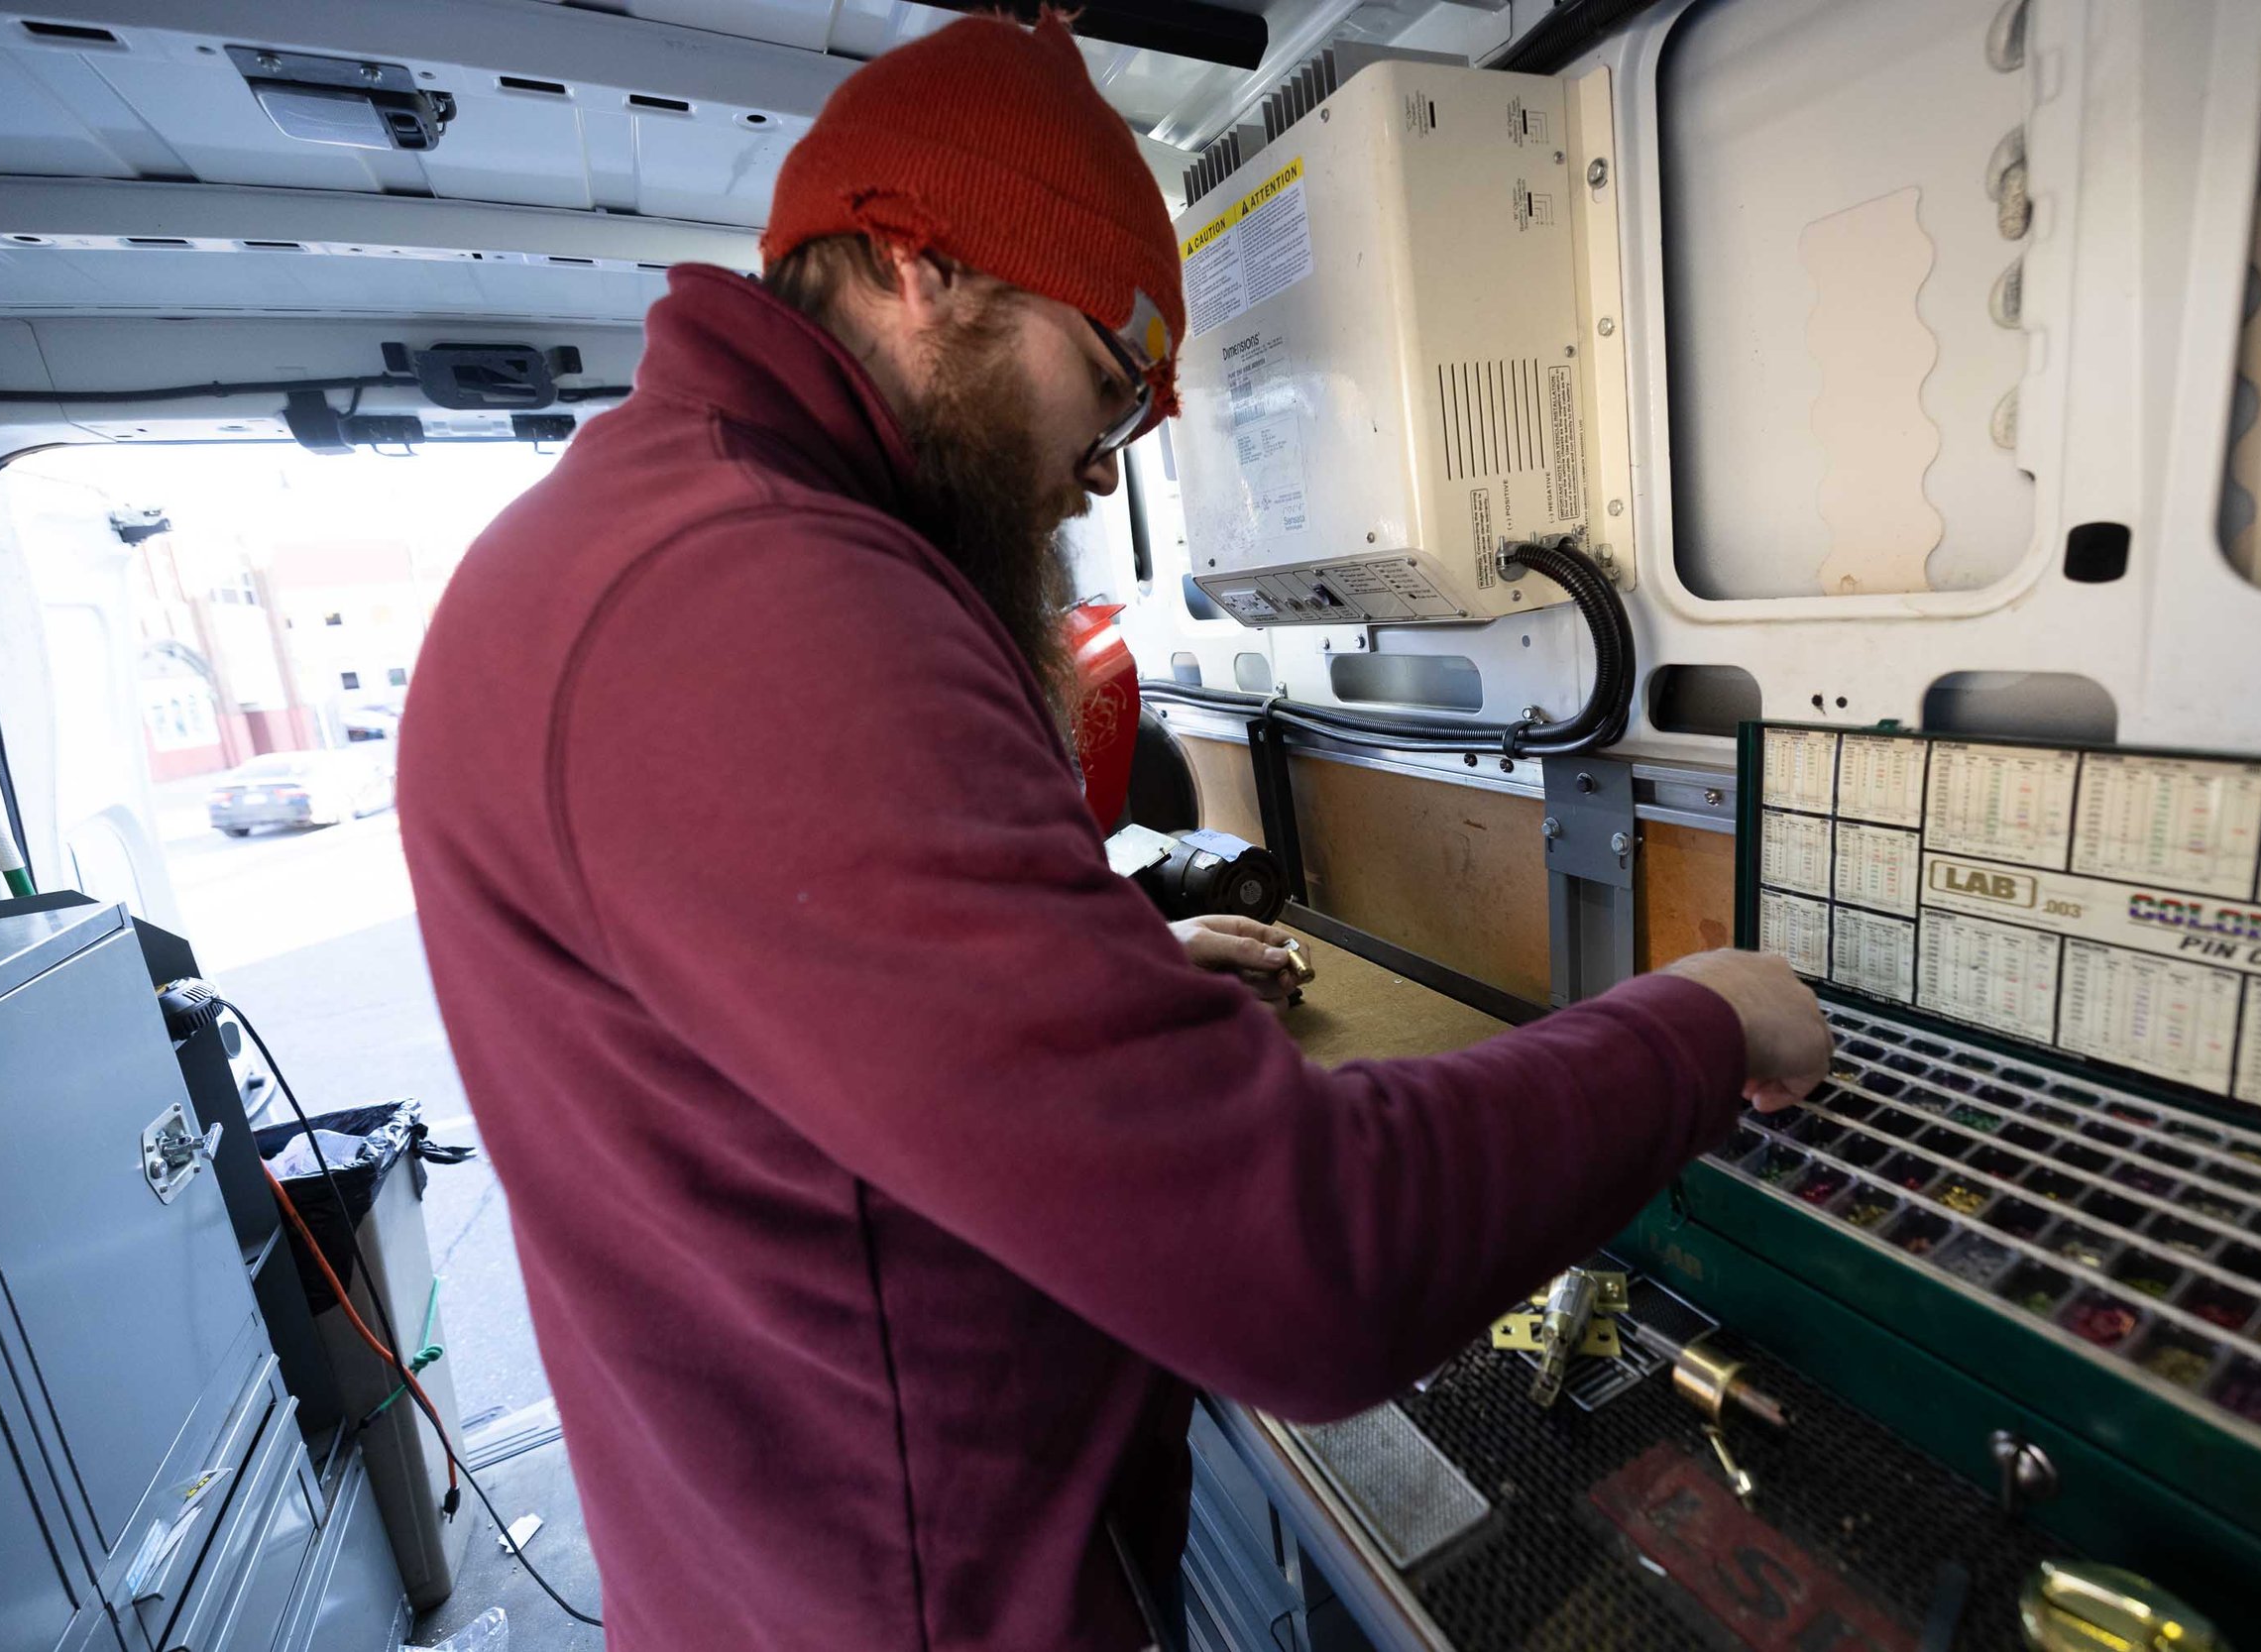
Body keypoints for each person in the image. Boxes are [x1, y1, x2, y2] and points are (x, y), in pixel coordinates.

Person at [397, 14, 1831, 1652]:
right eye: (1104, 378)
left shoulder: (626, 535)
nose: (1103, 464)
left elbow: (783, 1045)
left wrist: (1104, 972)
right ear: (920, 266)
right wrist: (1700, 1023)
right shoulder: (760, 600)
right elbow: (1308, 1268)